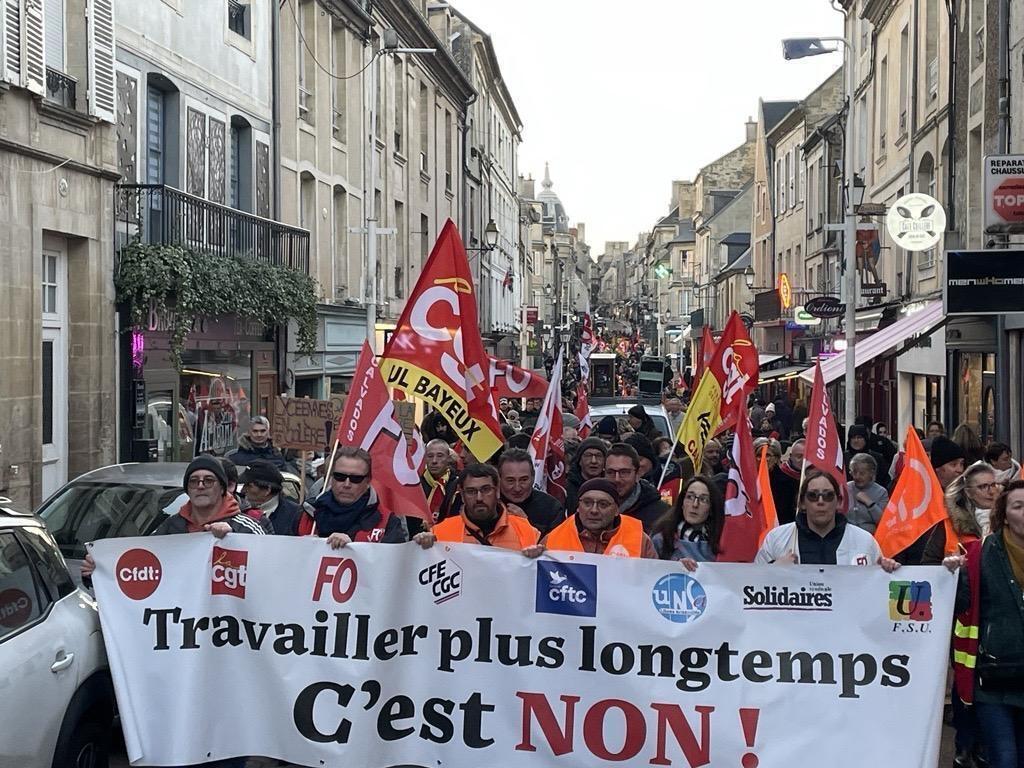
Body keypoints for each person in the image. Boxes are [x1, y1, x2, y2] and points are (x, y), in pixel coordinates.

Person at [80, 456, 271, 583]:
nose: (201, 486)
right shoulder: (171, 527)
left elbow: (270, 573)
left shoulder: (246, 527)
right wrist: (98, 570)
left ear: (222, 488)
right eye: (194, 481)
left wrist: (234, 539)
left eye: (209, 480)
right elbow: (140, 566)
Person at [946, 480, 1024, 768]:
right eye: (1019, 506)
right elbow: (960, 606)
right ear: (1004, 514)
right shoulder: (978, 554)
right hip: (993, 678)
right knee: (1004, 759)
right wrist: (953, 577)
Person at [756, 469, 899, 569]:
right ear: (802, 503)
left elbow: (879, 589)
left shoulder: (864, 541)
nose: (820, 501)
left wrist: (887, 572)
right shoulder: (777, 538)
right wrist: (774, 570)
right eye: (812, 495)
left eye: (828, 495)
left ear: (839, 502)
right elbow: (753, 583)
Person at [415, 463, 540, 550]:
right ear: (462, 495)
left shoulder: (527, 532)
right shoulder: (440, 533)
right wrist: (420, 547)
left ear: (497, 492)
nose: (479, 498)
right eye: (471, 491)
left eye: (486, 489)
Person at [299, 446, 407, 545]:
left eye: (356, 479)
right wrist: (300, 547)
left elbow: (395, 563)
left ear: (368, 481)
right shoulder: (306, 514)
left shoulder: (387, 522)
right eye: (340, 476)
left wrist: (353, 548)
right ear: (330, 477)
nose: (347, 484)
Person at [533, 478, 657, 558]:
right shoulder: (553, 539)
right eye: (587, 503)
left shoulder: (640, 540)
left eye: (603, 504)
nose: (594, 510)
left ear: (616, 510)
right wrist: (529, 558)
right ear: (578, 506)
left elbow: (654, 579)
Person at [896, 435, 965, 566]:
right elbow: (902, 533)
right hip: (915, 567)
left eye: (962, 464)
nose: (960, 469)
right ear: (938, 468)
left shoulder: (965, 496)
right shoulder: (918, 497)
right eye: (953, 464)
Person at [650, 475, 724, 562]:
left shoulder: (723, 540)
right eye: (690, 497)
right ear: (682, 502)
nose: (695, 505)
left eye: (703, 500)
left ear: (712, 508)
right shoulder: (662, 539)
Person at [497, 448, 565, 535]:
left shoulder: (552, 508)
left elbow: (555, 544)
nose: (517, 488)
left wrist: (526, 523)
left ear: (533, 477)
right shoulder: (489, 505)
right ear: (499, 479)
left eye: (523, 480)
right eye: (510, 480)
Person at [604, 443, 670, 532]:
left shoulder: (661, 515)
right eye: (610, 472)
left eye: (624, 472)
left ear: (637, 474)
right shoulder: (591, 508)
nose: (617, 479)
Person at [239, 460, 302, 535]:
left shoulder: (296, 515)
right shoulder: (239, 511)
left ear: (267, 490)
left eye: (249, 486)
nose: (243, 490)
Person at [947, 462, 1001, 542]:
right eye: (983, 487)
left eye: (993, 485)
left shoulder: (1009, 518)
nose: (991, 492)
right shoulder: (954, 522)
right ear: (968, 492)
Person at [226, 415, 292, 471]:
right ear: (249, 433)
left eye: (263, 431)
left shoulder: (277, 456)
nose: (259, 434)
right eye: (255, 431)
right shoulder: (236, 459)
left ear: (268, 432)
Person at [846, 453, 889, 534]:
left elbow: (883, 522)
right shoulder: (845, 488)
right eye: (854, 472)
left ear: (871, 473)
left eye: (862, 473)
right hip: (847, 534)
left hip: (870, 536)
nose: (857, 476)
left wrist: (870, 503)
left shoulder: (881, 492)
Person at [565, 437, 608, 514]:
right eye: (588, 455)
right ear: (579, 461)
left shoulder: (611, 486)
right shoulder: (567, 488)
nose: (593, 461)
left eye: (598, 456)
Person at [421, 438, 459, 525]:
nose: (434, 461)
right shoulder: (416, 485)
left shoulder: (458, 485)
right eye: (430, 456)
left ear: (449, 458)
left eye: (440, 456)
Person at [774, 439, 803, 524]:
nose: (803, 460)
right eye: (799, 456)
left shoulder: (813, 474)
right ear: (791, 456)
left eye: (806, 456)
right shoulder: (781, 475)